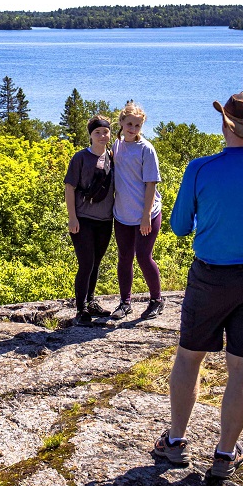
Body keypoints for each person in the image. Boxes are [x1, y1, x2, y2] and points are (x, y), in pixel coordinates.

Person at [153, 91, 243, 479]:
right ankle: (225, 454)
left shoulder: (199, 169)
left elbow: (180, 227)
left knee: (188, 357)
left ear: (224, 123)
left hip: (211, 277)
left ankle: (177, 443)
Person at [110, 101, 165, 321]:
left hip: (146, 214)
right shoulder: (116, 145)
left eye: (137, 125)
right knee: (124, 257)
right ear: (121, 123)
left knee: (143, 256)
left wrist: (145, 217)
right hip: (122, 214)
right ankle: (125, 303)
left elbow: (151, 184)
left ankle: (156, 300)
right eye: (129, 124)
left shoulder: (146, 149)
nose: (133, 128)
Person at [64, 115, 116, 325]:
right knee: (86, 263)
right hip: (83, 219)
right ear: (91, 135)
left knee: (96, 263)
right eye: (98, 132)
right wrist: (72, 218)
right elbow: (69, 188)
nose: (102, 136)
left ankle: (91, 301)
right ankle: (81, 309)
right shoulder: (80, 158)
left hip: (105, 219)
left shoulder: (113, 156)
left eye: (105, 132)